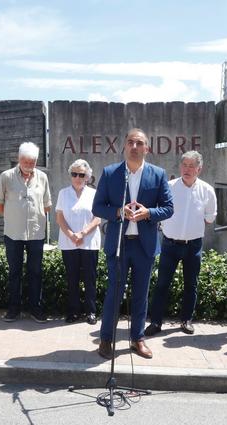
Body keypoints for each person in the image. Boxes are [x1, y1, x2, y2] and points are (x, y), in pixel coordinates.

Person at [92, 128, 173, 359]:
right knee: (113, 294)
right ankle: (106, 339)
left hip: (144, 245)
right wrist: (118, 211)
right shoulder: (111, 173)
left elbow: (168, 207)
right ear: (124, 146)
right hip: (119, 243)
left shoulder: (158, 174)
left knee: (140, 294)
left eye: (139, 143)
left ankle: (138, 339)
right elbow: (97, 207)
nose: (134, 146)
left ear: (146, 148)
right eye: (130, 142)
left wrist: (149, 212)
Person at [145, 150, 217, 336]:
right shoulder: (168, 187)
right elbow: (158, 211)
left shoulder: (207, 190)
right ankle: (156, 322)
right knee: (162, 284)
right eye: (184, 165)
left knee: (190, 285)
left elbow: (210, 218)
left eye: (191, 166)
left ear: (199, 169)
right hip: (170, 244)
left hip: (193, 245)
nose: (187, 169)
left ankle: (186, 320)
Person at [0, 142, 52, 323]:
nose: (28, 164)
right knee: (14, 272)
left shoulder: (42, 177)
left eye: (32, 161)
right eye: (25, 160)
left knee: (36, 272)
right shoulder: (6, 177)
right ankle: (13, 309)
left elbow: (47, 205)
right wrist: (13, 216)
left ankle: (36, 308)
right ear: (19, 159)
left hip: (35, 234)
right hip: (13, 233)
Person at [55, 159, 102, 325]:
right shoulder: (63, 193)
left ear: (87, 176)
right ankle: (73, 312)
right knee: (72, 278)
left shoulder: (94, 194)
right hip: (69, 243)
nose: (77, 177)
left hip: (89, 242)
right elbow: (59, 217)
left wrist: (82, 233)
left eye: (81, 174)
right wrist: (71, 235)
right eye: (74, 174)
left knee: (90, 278)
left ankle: (91, 312)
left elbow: (97, 218)